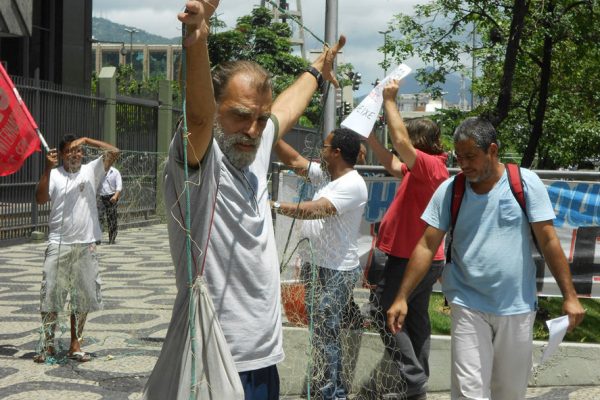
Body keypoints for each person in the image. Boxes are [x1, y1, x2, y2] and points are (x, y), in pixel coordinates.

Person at [142, 1, 345, 399]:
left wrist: (316, 70)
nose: (252, 130)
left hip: (264, 358)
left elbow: (284, 109)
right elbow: (199, 118)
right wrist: (197, 39)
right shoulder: (199, 162)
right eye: (239, 115)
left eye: (259, 119)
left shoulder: (255, 142)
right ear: (216, 108)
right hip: (214, 360)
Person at [387, 116, 585, 400]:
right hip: (467, 303)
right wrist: (402, 296)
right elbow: (427, 245)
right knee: (468, 394)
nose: (464, 164)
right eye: (459, 157)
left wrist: (570, 296)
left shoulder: (524, 183)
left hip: (516, 306)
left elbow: (549, 241)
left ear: (492, 150)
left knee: (509, 393)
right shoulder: (451, 190)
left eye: (471, 156)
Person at [364, 80, 448, 400]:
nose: (404, 146)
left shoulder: (430, 167)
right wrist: (370, 138)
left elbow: (399, 142)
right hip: (418, 257)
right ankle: (417, 383)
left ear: (418, 142)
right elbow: (392, 163)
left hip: (410, 257)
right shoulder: (425, 169)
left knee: (383, 310)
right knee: (415, 319)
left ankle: (412, 379)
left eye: (410, 142)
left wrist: (390, 100)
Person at [272, 129, 368, 400]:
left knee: (326, 336)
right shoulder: (329, 175)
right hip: (317, 265)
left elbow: (315, 210)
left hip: (335, 271)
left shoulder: (352, 183)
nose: (320, 151)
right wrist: (270, 133)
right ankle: (330, 390)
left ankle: (332, 395)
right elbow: (295, 161)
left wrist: (273, 204)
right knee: (321, 334)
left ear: (336, 152)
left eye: (324, 147)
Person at [34, 135, 120, 363]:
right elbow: (40, 199)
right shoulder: (54, 174)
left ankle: (75, 344)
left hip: (86, 244)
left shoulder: (91, 170)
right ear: (62, 155)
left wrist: (87, 140)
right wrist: (47, 168)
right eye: (70, 151)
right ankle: (48, 345)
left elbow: (114, 151)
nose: (75, 155)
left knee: (81, 298)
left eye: (78, 151)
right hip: (58, 244)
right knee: (51, 294)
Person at [98, 165, 122, 244]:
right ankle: (97, 238)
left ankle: (112, 237)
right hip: (101, 197)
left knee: (112, 218)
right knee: (99, 216)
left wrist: (115, 196)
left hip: (112, 197)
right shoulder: (98, 171)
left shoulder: (115, 172)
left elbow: (119, 186)